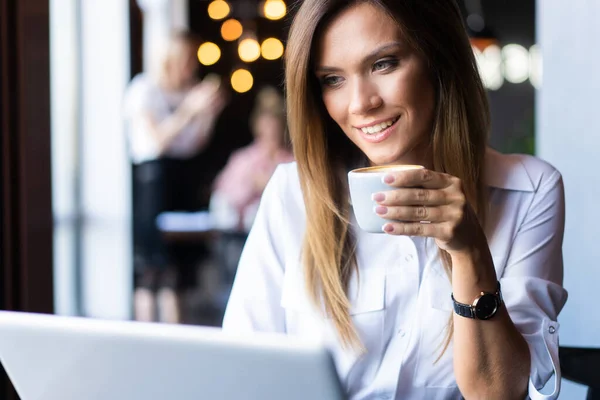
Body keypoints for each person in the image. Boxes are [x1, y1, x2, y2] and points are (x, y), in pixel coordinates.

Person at [222, 1, 567, 399]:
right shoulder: (292, 192)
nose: (360, 103)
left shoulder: (528, 190)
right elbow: (242, 377)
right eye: (333, 79)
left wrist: (470, 252)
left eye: (383, 64)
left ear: (439, 59)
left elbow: (499, 393)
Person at [123, 31, 227, 324]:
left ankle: (176, 336)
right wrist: (189, 111)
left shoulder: (190, 91)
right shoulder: (144, 90)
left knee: (180, 270)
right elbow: (157, 140)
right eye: (186, 59)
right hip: (152, 181)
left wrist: (208, 115)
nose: (191, 66)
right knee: (151, 267)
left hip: (183, 180)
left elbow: (194, 144)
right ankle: (145, 340)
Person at [211, 86, 294, 233]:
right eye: (267, 124)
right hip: (243, 236)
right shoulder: (243, 160)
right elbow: (225, 200)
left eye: (275, 124)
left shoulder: (292, 162)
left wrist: (270, 186)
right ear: (257, 125)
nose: (271, 130)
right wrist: (250, 184)